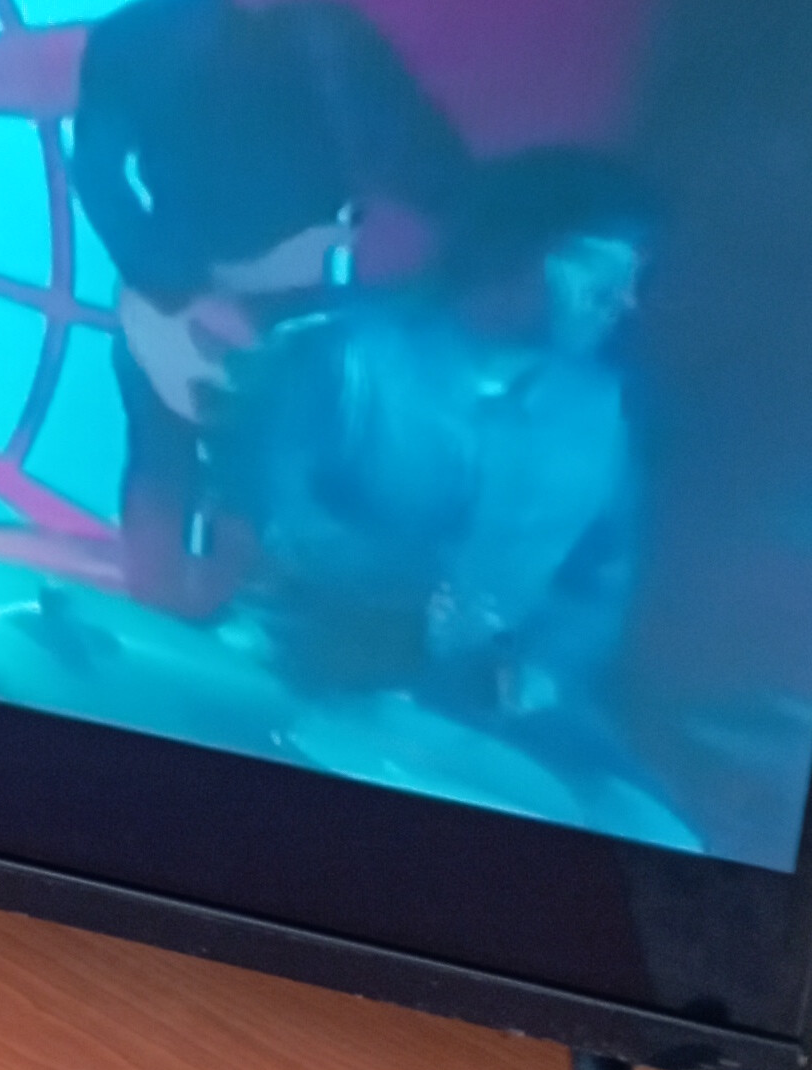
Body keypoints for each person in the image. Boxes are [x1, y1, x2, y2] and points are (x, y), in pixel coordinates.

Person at [72, 0, 466, 617]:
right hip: (172, 296)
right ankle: (145, 624)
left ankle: (224, 634)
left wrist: (473, 226)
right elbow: (99, 176)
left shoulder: (339, 43)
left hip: (296, 300)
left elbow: (423, 160)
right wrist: (183, 289)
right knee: (159, 462)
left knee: (261, 475)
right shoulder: (132, 37)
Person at [235, 149, 655, 737]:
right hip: (294, 684)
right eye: (600, 266)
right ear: (514, 248)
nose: (623, 299)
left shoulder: (603, 417)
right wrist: (397, 605)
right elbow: (272, 516)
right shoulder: (345, 357)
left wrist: (532, 676)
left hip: (478, 736)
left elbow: (600, 581)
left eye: (635, 276)